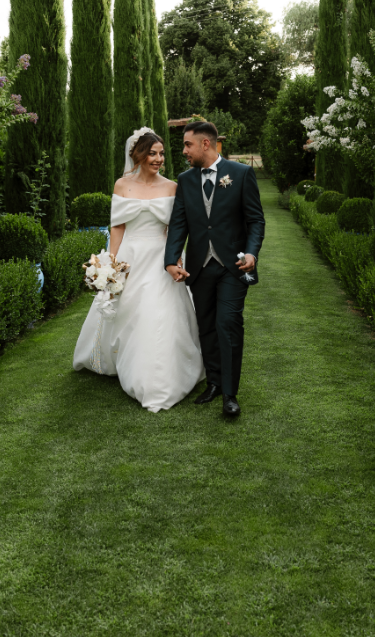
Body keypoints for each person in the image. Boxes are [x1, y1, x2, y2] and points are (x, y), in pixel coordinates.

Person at [72, 127, 205, 411]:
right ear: (138, 155)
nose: (158, 159)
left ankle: (159, 380)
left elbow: (175, 229)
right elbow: (117, 227)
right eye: (152, 154)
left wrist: (175, 258)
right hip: (131, 258)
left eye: (161, 154)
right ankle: (126, 363)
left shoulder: (171, 187)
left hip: (161, 258)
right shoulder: (122, 185)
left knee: (157, 313)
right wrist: (109, 264)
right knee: (129, 312)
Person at [163, 119, 264, 417]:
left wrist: (252, 252)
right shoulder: (186, 179)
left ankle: (230, 395)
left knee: (228, 324)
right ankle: (214, 383)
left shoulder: (242, 173)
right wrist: (171, 259)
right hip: (199, 267)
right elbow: (179, 223)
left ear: (206, 143)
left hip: (233, 265)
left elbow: (256, 220)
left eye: (187, 144)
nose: (184, 151)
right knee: (206, 326)